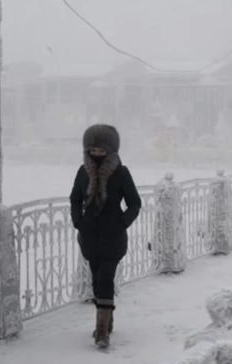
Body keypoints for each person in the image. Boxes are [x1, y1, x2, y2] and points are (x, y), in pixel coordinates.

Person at [70, 124, 141, 349]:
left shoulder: (121, 172)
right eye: (93, 150)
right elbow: (75, 199)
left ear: (111, 150)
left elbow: (134, 203)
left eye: (102, 150)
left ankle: (101, 331)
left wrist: (121, 223)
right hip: (90, 237)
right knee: (96, 281)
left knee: (105, 280)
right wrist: (78, 221)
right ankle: (107, 320)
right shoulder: (83, 172)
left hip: (113, 237)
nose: (97, 154)